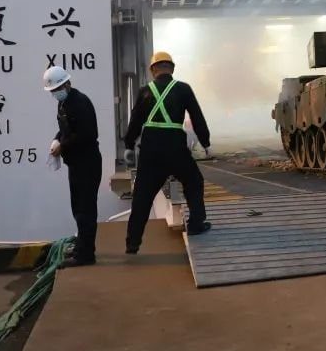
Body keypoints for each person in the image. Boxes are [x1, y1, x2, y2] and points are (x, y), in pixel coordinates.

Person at [123, 51, 213, 254]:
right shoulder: (183, 89)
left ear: (153, 70)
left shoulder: (145, 91)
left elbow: (135, 120)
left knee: (142, 197)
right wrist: (206, 143)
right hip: (175, 149)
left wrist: (129, 145)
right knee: (193, 181)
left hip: (150, 151)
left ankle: (132, 242)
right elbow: (197, 117)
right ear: (171, 69)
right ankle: (196, 224)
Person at [43, 66, 101, 267]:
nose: (55, 93)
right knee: (78, 208)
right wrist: (56, 139)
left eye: (57, 88)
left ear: (68, 83)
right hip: (76, 164)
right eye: (52, 90)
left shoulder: (80, 103)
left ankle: (86, 255)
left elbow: (88, 134)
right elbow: (66, 130)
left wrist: (63, 145)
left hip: (87, 163)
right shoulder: (64, 104)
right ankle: (81, 249)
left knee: (85, 209)